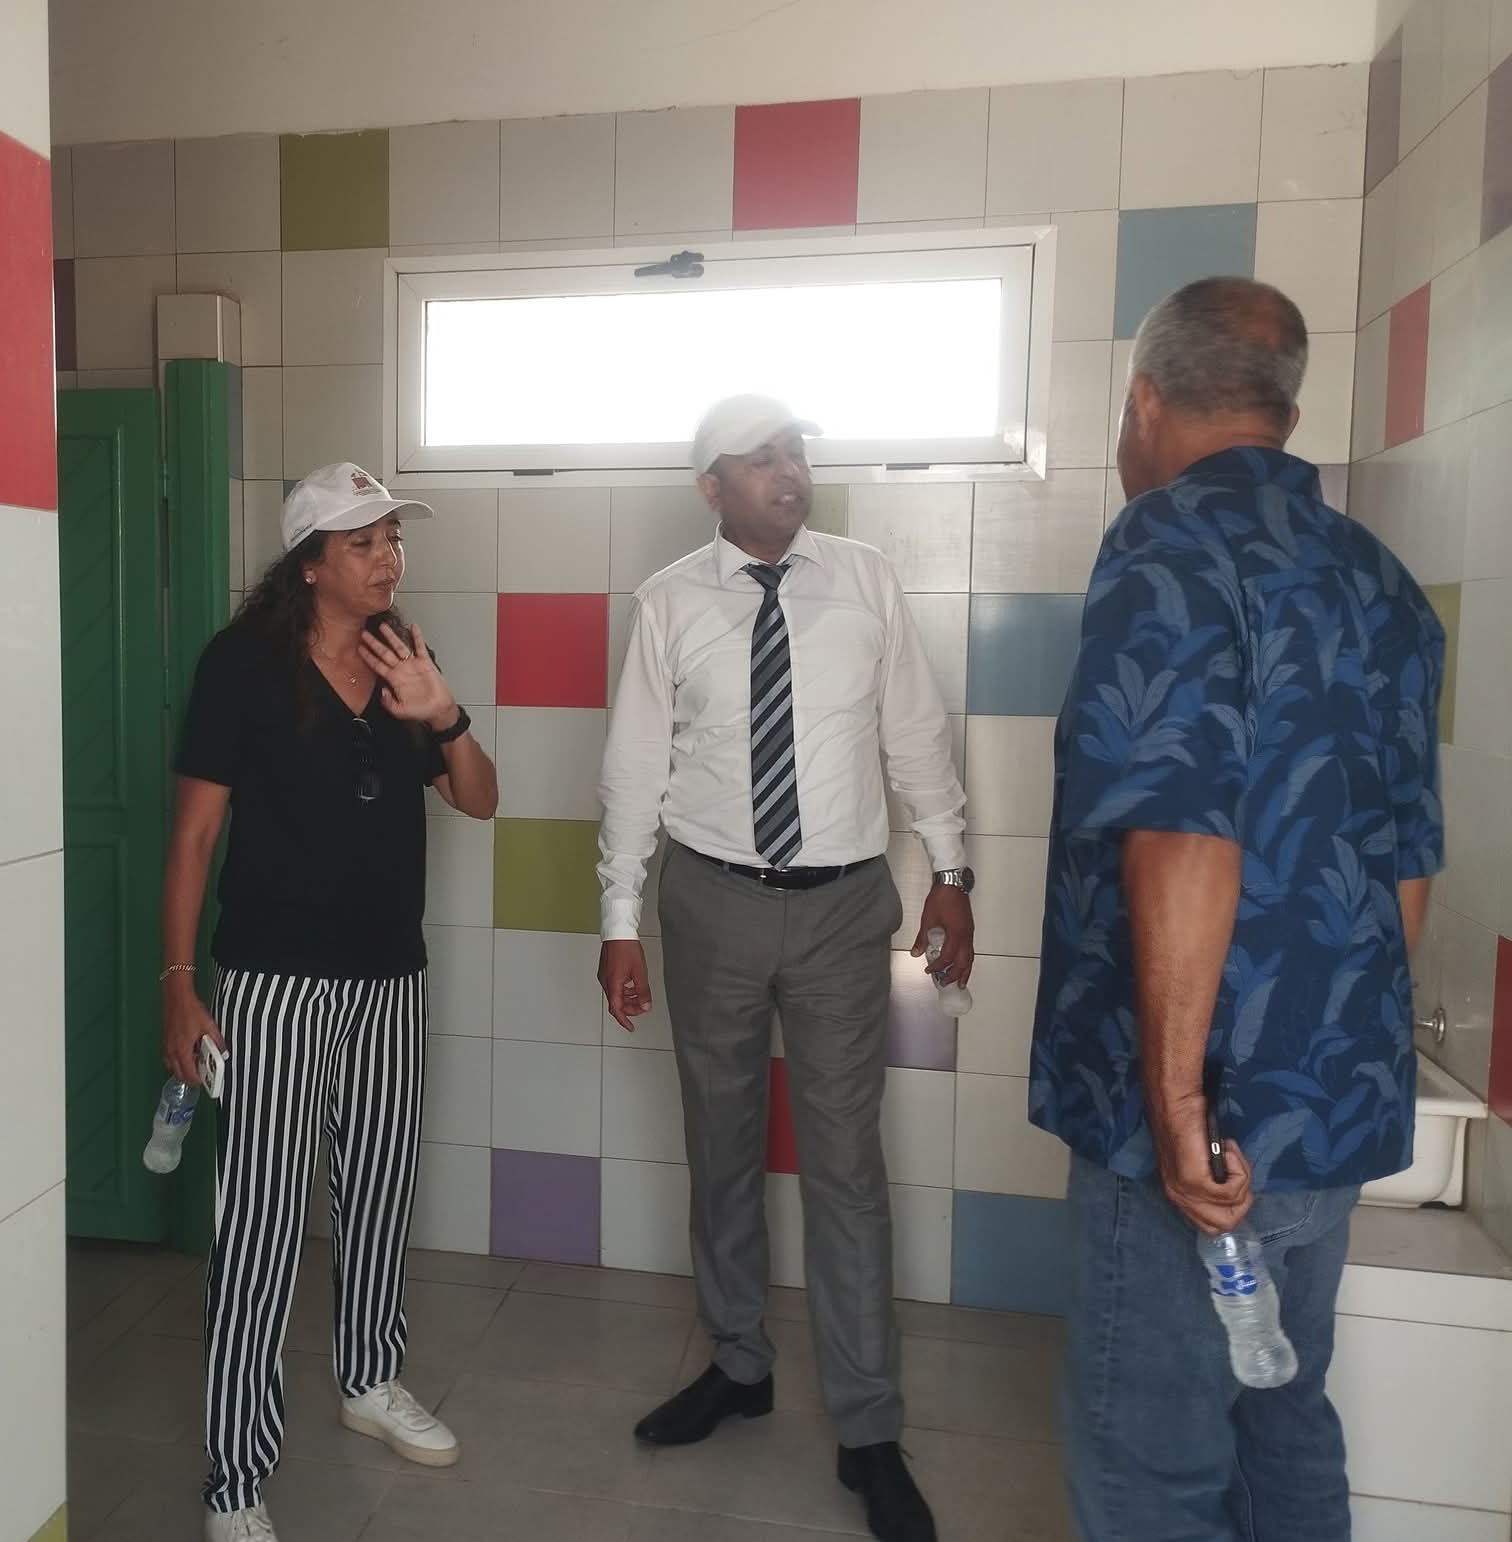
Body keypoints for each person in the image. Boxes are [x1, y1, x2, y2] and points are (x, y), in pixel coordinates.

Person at [1030, 278, 1443, 1541]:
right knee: (1283, 1424)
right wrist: (1327, 1059)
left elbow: (1178, 831)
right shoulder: (1381, 581)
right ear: (1287, 413)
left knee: (1151, 1469)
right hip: (1327, 1105)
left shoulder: (1161, 545)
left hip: (1194, 1132)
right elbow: (1405, 864)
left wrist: (1175, 1109)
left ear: (1143, 400)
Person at [597, 396, 974, 1542]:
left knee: (845, 1167)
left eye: (795, 451)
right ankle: (738, 1364)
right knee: (718, 1148)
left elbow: (913, 733)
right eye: (758, 458)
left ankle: (868, 1430)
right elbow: (633, 767)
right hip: (707, 900)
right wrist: (619, 917)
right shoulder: (668, 601)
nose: (786, 471)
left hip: (840, 908)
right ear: (709, 487)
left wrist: (950, 869)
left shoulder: (864, 581)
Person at [162, 461, 499, 1542]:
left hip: (391, 977)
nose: (387, 558)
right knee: (260, 1225)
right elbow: (194, 837)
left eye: (393, 538)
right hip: (275, 983)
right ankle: (234, 1476)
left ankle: (368, 1379)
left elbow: (479, 799)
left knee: (379, 1194)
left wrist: (445, 715)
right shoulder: (241, 667)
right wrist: (180, 986)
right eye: (362, 542)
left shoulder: (405, 656)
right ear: (309, 564)